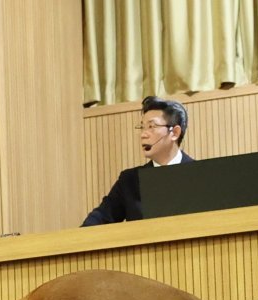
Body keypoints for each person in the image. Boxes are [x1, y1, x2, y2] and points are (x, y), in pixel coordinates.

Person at [81, 96, 195, 226]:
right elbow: (100, 218)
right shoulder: (130, 181)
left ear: (174, 132)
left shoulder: (199, 176)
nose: (143, 134)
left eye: (151, 126)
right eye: (142, 127)